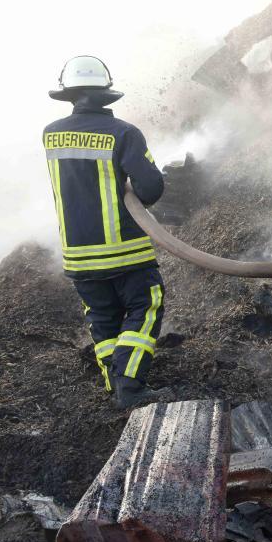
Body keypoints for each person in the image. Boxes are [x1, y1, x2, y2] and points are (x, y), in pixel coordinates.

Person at [44, 56, 171, 408]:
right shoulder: (124, 133)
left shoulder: (51, 134)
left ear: (69, 93)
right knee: (146, 305)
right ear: (106, 92)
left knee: (102, 317)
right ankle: (130, 384)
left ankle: (113, 383)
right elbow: (150, 188)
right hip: (124, 249)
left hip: (78, 254)